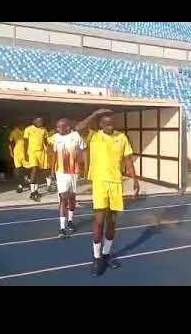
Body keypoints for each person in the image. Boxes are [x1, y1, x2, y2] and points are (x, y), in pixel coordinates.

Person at [76, 109, 139, 277]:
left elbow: (128, 160)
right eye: (107, 124)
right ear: (100, 124)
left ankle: (106, 254)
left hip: (116, 183)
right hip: (100, 183)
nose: (110, 127)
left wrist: (135, 180)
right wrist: (95, 113)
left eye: (112, 123)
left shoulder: (121, 137)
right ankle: (96, 258)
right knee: (99, 221)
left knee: (112, 222)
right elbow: (79, 127)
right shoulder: (93, 136)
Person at [50, 118, 86, 238]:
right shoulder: (55, 137)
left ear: (68, 127)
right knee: (63, 198)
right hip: (61, 173)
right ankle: (62, 228)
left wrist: (83, 167)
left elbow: (82, 152)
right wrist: (51, 172)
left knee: (72, 197)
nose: (58, 129)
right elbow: (54, 155)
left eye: (61, 127)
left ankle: (70, 220)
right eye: (57, 127)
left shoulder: (76, 136)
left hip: (74, 173)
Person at [24, 117, 49, 201]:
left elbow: (45, 141)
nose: (40, 122)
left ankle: (36, 190)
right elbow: (25, 142)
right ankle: (32, 192)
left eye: (41, 121)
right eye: (38, 121)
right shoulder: (28, 129)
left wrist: (47, 151)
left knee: (38, 171)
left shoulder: (44, 130)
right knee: (34, 169)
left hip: (41, 153)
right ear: (33, 121)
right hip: (31, 152)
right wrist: (25, 153)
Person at [9, 120, 29, 193]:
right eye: (21, 124)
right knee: (18, 170)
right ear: (17, 124)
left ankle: (26, 178)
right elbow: (10, 143)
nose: (22, 125)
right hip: (17, 153)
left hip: (26, 153)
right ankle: (19, 186)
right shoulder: (14, 132)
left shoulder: (27, 131)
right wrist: (11, 152)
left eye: (24, 124)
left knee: (27, 168)